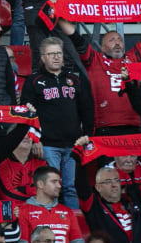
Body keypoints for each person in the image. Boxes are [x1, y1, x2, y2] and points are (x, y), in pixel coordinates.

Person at [22, 37, 94, 210]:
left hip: (73, 144)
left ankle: (73, 226)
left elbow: (87, 109)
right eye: (52, 54)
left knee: (70, 188)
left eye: (59, 53)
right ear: (43, 57)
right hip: (47, 145)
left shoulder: (76, 79)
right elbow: (26, 114)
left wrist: (88, 137)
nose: (56, 57)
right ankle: (50, 225)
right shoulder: (33, 81)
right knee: (49, 188)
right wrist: (34, 139)